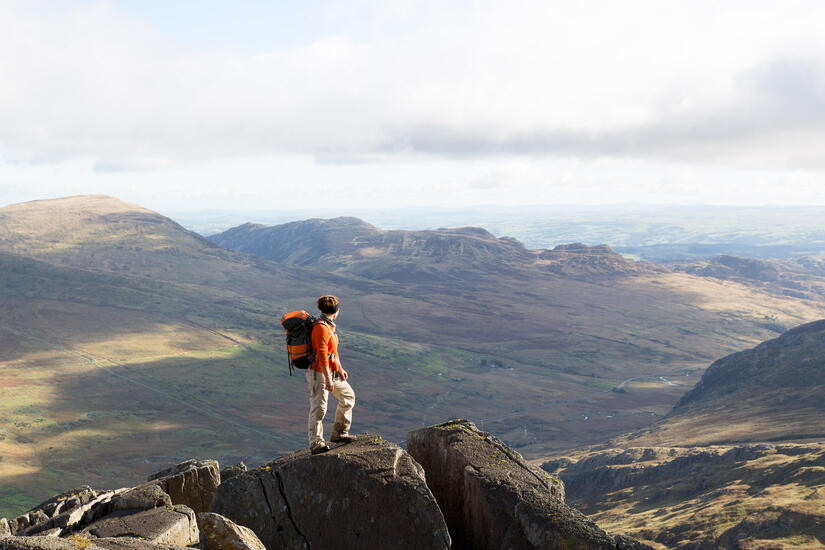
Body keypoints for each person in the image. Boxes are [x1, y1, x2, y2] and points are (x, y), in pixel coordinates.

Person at [307, 294, 356, 454]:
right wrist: (328, 379)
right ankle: (316, 443)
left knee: (348, 397)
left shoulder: (329, 325)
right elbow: (321, 355)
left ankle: (339, 433)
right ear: (337, 311)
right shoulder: (321, 327)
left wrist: (340, 368)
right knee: (319, 407)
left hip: (331, 370)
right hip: (319, 372)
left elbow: (332, 352)